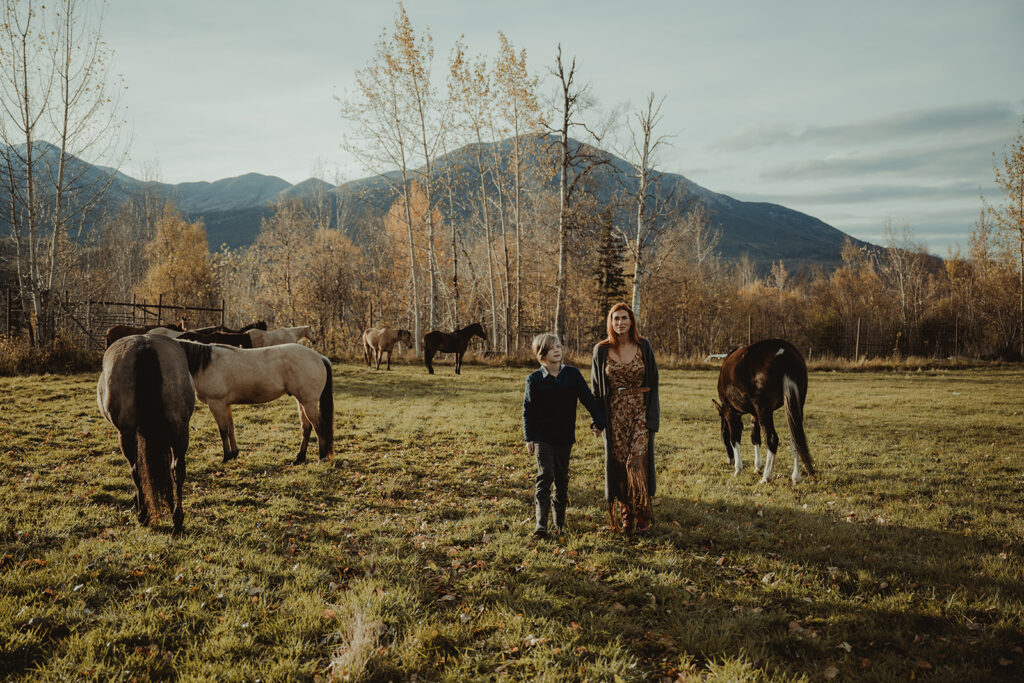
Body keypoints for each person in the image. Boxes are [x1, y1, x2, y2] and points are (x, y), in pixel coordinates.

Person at [522, 333, 606, 538]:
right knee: (546, 475)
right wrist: (529, 437)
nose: (557, 350)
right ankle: (540, 526)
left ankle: (559, 523)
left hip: (565, 437)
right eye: (552, 348)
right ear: (542, 354)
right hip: (542, 437)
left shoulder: (572, 375)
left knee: (561, 478)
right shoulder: (534, 380)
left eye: (559, 346)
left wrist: (599, 421)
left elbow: (588, 399)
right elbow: (528, 410)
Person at [591, 303, 659, 533]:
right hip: (614, 414)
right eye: (615, 318)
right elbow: (596, 389)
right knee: (619, 464)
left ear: (631, 321)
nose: (620, 322)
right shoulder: (601, 350)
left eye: (624, 318)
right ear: (610, 322)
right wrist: (597, 420)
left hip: (640, 409)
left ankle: (642, 515)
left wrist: (652, 418)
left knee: (638, 461)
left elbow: (654, 382)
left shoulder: (644, 346)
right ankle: (626, 514)